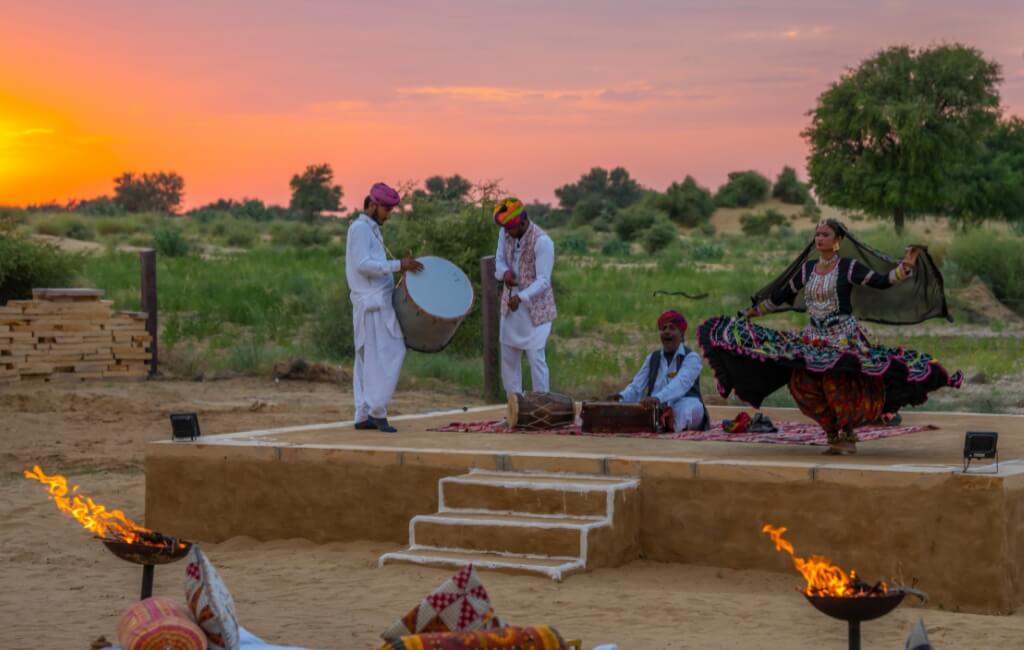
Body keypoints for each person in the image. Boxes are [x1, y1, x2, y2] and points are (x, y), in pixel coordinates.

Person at [698, 219, 962, 454]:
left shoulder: (848, 268)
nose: (819, 238)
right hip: (814, 337)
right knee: (803, 383)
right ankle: (832, 433)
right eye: (817, 234)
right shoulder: (807, 269)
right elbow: (781, 297)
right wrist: (750, 314)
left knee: (841, 385)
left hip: (843, 337)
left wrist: (906, 265)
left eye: (825, 234)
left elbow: (882, 281)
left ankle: (848, 433)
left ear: (838, 240)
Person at [345, 182, 423, 432]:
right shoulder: (359, 229)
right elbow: (363, 265)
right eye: (386, 210)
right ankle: (377, 412)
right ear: (373, 205)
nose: (388, 215)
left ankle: (363, 414)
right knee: (388, 353)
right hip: (373, 305)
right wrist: (398, 264)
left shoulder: (371, 229)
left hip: (376, 303)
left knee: (370, 358)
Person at [492, 198, 556, 395]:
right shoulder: (505, 232)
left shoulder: (543, 242)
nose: (507, 233)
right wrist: (505, 273)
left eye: (511, 228)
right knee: (509, 358)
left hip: (536, 310)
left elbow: (543, 280)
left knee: (536, 357)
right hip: (510, 308)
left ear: (522, 222)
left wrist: (521, 297)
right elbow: (499, 260)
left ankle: (541, 405)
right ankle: (514, 407)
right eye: (505, 229)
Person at [609, 310, 709, 432]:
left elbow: (681, 384)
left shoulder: (691, 358)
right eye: (663, 328)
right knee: (628, 411)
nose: (667, 332)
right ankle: (661, 424)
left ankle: (667, 427)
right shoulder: (652, 358)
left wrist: (657, 398)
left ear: (682, 335)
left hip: (681, 404)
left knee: (688, 409)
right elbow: (636, 387)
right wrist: (621, 397)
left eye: (672, 328)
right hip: (655, 408)